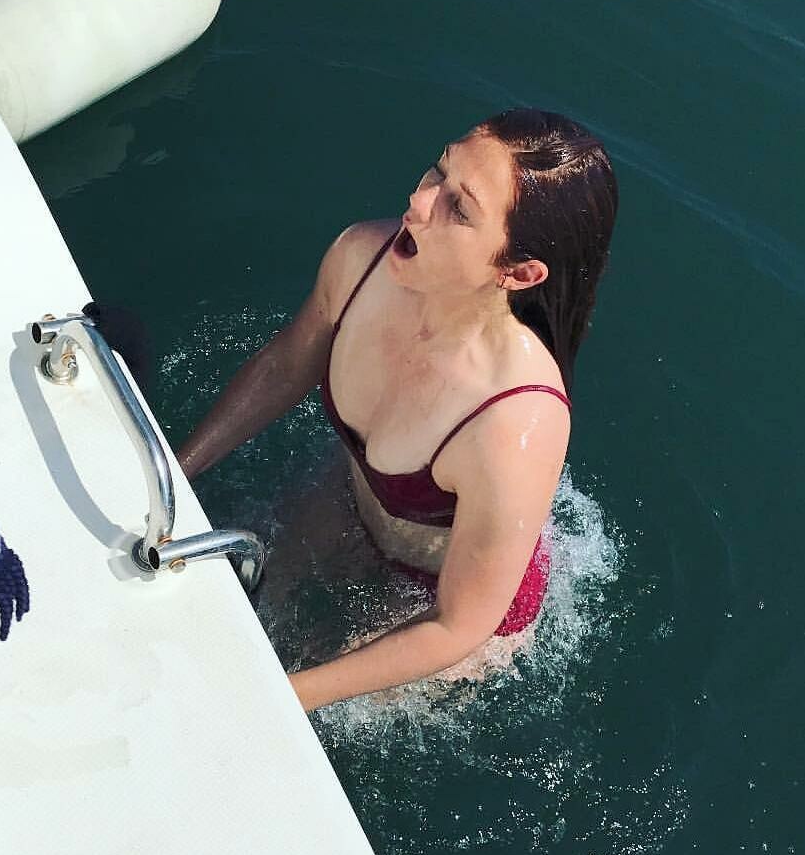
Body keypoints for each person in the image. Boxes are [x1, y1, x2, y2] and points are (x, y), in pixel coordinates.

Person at [177, 108, 618, 712]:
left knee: (290, 685)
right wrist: (179, 468)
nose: (418, 200)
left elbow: (457, 626)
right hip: (356, 500)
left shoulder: (515, 423)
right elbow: (286, 366)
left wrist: (280, 699)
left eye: (459, 208)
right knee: (230, 607)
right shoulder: (360, 257)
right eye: (438, 170)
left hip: (448, 603)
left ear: (518, 273)